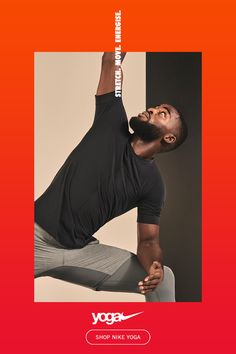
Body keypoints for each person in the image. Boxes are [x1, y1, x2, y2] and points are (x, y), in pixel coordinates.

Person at [34, 52, 188, 302]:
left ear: (168, 138)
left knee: (164, 279)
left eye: (163, 113)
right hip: (34, 237)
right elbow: (111, 60)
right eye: (156, 107)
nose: (153, 109)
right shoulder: (111, 119)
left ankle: (168, 340)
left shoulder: (153, 185)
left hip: (80, 252)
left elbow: (148, 241)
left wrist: (154, 266)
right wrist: (123, 21)